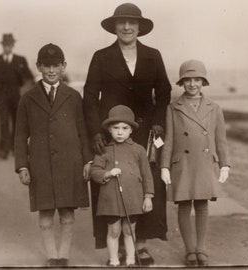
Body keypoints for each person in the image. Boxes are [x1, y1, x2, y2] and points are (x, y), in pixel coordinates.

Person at [83, 3, 171, 264]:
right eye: (121, 22)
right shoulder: (101, 56)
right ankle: (117, 245)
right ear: (114, 26)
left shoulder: (153, 55)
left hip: (144, 132)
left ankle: (140, 245)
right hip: (111, 131)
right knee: (110, 186)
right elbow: (89, 97)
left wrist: (157, 121)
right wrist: (96, 132)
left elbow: (164, 92)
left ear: (140, 27)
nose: (127, 27)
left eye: (132, 23)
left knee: (144, 183)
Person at [14, 43, 92, 266]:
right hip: (40, 165)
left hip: (70, 163)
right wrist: (23, 166)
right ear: (38, 66)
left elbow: (83, 131)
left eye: (56, 65)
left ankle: (63, 256)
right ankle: (52, 257)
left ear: (63, 66)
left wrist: (87, 160)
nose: (51, 70)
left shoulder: (74, 96)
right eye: (46, 65)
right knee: (46, 212)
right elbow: (20, 135)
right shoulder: (27, 99)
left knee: (67, 212)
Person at [160, 60, 231, 266]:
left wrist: (225, 164)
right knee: (183, 205)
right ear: (182, 83)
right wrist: (165, 165)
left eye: (197, 79)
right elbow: (170, 139)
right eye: (188, 80)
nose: (192, 84)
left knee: (202, 205)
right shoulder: (173, 108)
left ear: (204, 82)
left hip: (204, 162)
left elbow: (221, 139)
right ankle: (190, 250)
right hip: (182, 163)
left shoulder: (214, 108)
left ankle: (201, 248)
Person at [91, 105, 154, 266]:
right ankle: (113, 261)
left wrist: (148, 197)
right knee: (114, 230)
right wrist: (108, 173)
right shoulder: (104, 150)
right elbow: (94, 171)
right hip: (111, 198)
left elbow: (147, 175)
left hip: (132, 197)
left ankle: (131, 260)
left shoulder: (138, 150)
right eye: (116, 128)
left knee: (129, 230)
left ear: (131, 130)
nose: (120, 132)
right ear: (109, 130)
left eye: (124, 128)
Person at [0, 33, 34, 159]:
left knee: (17, 122)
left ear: (13, 45)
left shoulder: (20, 60)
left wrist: (30, 91)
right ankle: (3, 149)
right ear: (2, 46)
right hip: (1, 96)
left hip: (17, 96)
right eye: (5, 45)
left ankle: (14, 146)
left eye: (9, 45)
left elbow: (29, 77)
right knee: (3, 122)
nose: (7, 47)